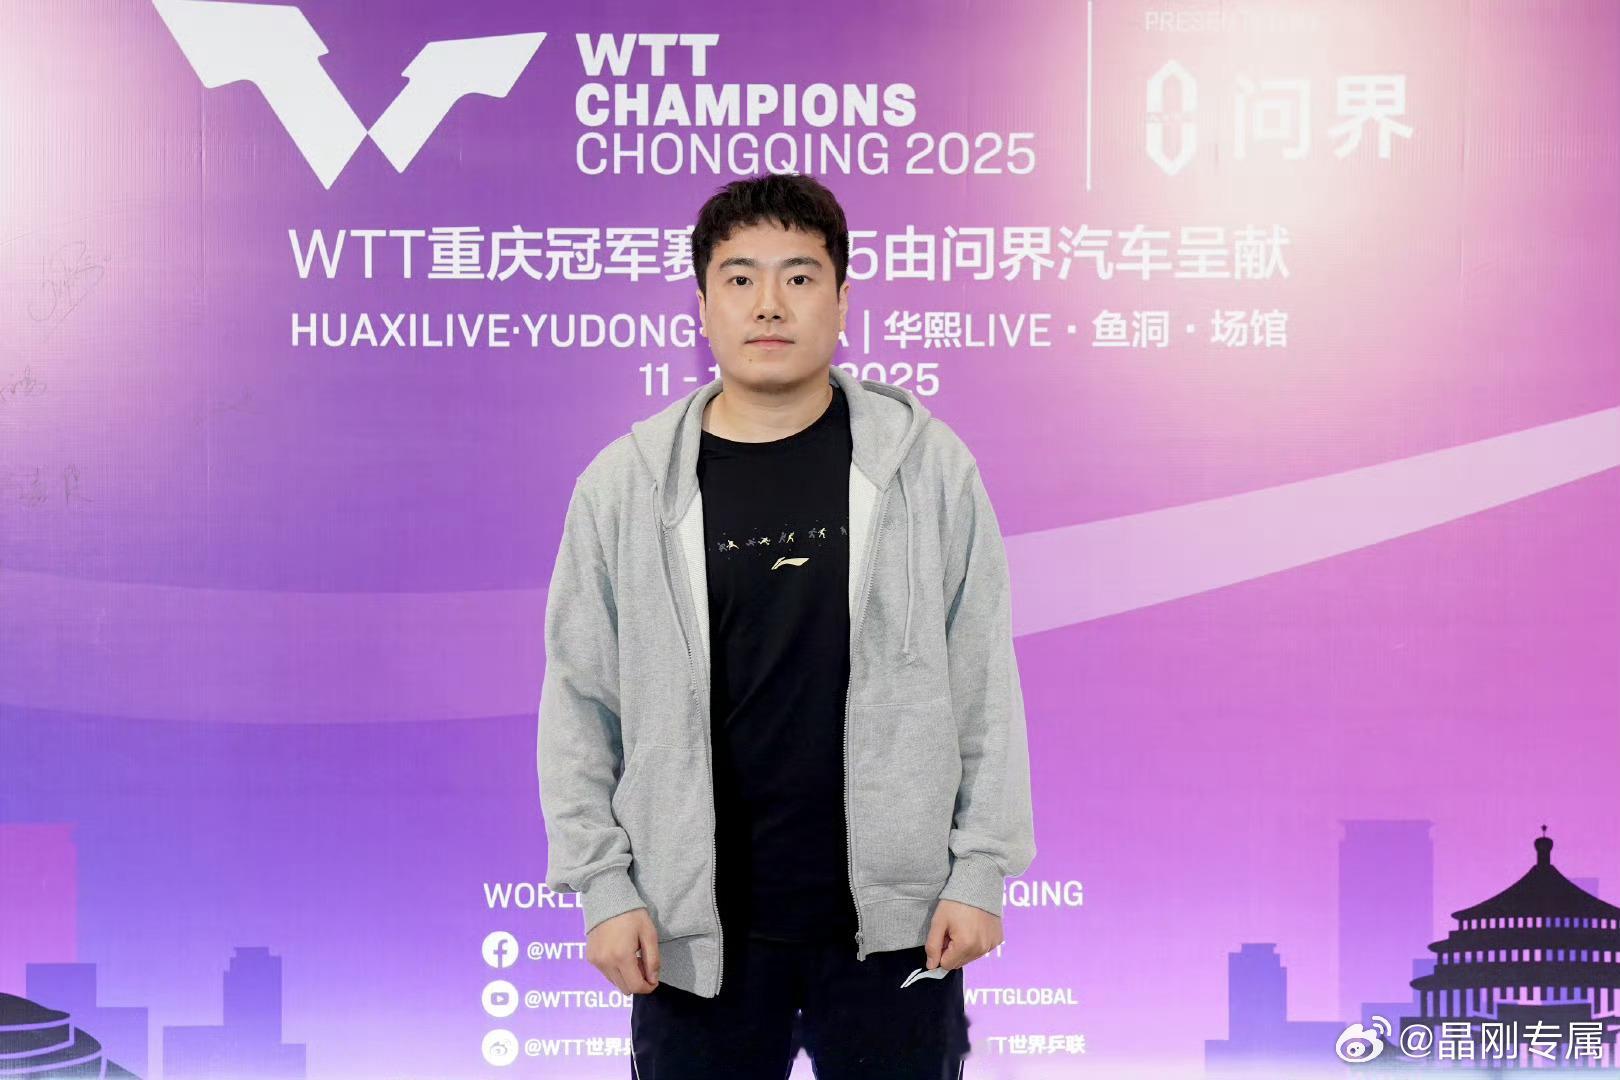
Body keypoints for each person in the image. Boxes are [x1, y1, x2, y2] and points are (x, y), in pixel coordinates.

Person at [537, 173, 1036, 1078]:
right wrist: (603, 886)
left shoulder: (928, 469)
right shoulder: (624, 487)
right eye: (740, 278)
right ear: (702, 305)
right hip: (693, 933)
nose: (769, 303)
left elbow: (983, 683)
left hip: (898, 928)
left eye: (800, 277)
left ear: (842, 301)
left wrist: (979, 871)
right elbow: (581, 702)